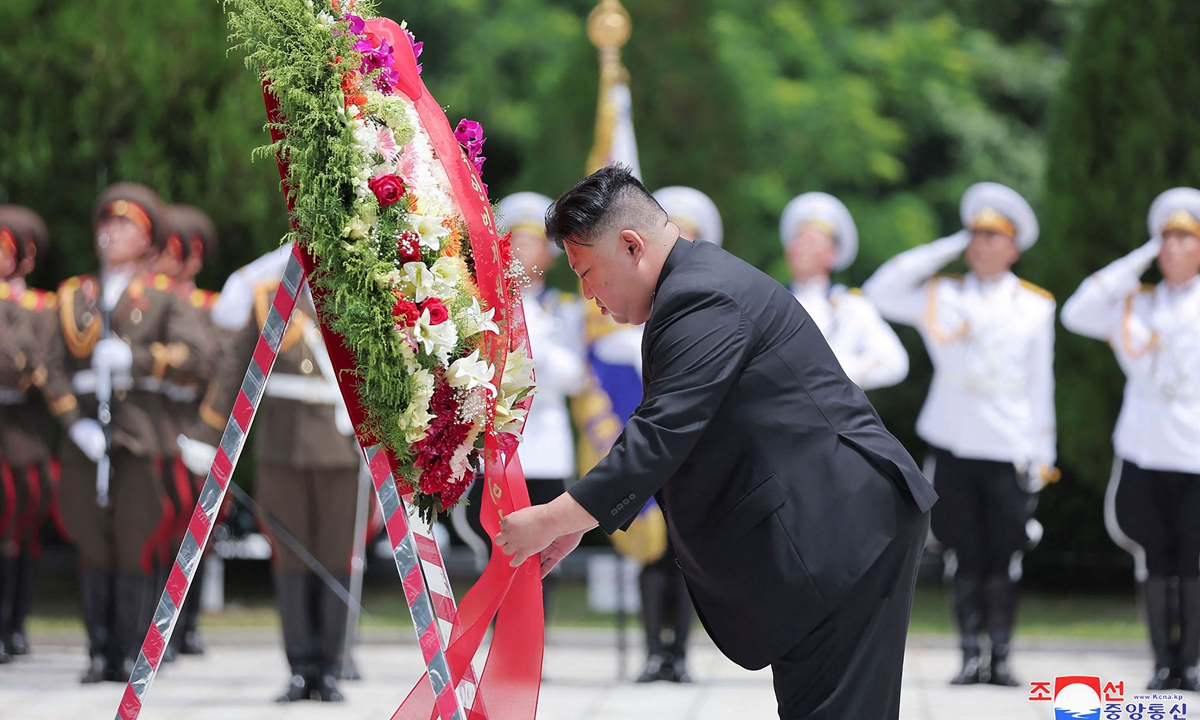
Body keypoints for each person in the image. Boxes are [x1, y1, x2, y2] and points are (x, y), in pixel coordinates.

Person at [495, 165, 936, 720]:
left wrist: (552, 518)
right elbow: (672, 431)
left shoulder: (700, 296)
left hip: (841, 529)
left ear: (631, 246)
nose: (586, 294)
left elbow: (663, 433)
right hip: (831, 528)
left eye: (587, 272)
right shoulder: (692, 286)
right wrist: (576, 523)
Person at [863, 182, 1057, 687]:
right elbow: (882, 290)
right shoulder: (942, 292)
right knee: (962, 553)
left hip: (1010, 445)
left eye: (994, 237)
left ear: (1014, 247)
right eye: (977, 235)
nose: (982, 245)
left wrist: (1043, 453)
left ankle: (1003, 656)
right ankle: (970, 655)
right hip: (953, 440)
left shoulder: (1035, 306)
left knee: (1005, 555)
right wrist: (949, 244)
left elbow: (1041, 385)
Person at [41, 182, 213, 683]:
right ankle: (97, 651)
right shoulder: (76, 294)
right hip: (87, 438)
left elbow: (198, 357)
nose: (112, 234)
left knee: (135, 542)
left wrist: (137, 358)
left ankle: (131, 651)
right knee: (92, 543)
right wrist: (75, 424)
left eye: (126, 226)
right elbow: (51, 366)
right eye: (108, 225)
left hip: (141, 436)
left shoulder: (161, 297)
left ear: (148, 241)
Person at [186, 243, 360, 703]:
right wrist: (208, 438)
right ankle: (300, 667)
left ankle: (330, 666)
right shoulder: (268, 300)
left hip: (341, 450)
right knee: (290, 557)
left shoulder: (356, 297)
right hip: (281, 449)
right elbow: (233, 376)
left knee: (334, 557)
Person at [1060, 187, 1200, 692]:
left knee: (1195, 558)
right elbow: (1076, 311)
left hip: (1197, 454)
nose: (1173, 249)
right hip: (1144, 450)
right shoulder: (1135, 304)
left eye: (1185, 238)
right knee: (1156, 556)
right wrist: (1141, 255)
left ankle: (1194, 663)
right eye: (1166, 239)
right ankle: (1164, 664)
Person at [461, 192, 587, 612]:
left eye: (534, 243)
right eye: (516, 241)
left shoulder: (564, 308)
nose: (524, 252)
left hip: (544, 443)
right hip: (496, 442)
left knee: (543, 551)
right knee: (495, 546)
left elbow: (574, 375)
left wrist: (532, 352)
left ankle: (533, 646)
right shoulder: (481, 305)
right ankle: (500, 640)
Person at [151, 205, 221, 658]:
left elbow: (221, 372)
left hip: (196, 421)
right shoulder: (145, 301)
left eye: (173, 253)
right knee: (158, 523)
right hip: (155, 419)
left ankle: (187, 623)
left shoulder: (211, 307)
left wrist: (206, 431)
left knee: (198, 530)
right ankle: (159, 628)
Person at [779, 192, 908, 390]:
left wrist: (829, 371)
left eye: (811, 240)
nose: (799, 247)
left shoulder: (853, 307)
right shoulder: (771, 301)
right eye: (797, 239)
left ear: (832, 254)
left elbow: (894, 364)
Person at [0, 206, 55, 663]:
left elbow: (34, 366)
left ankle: (12, 626)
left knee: (19, 528)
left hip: (21, 424)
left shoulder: (40, 306)